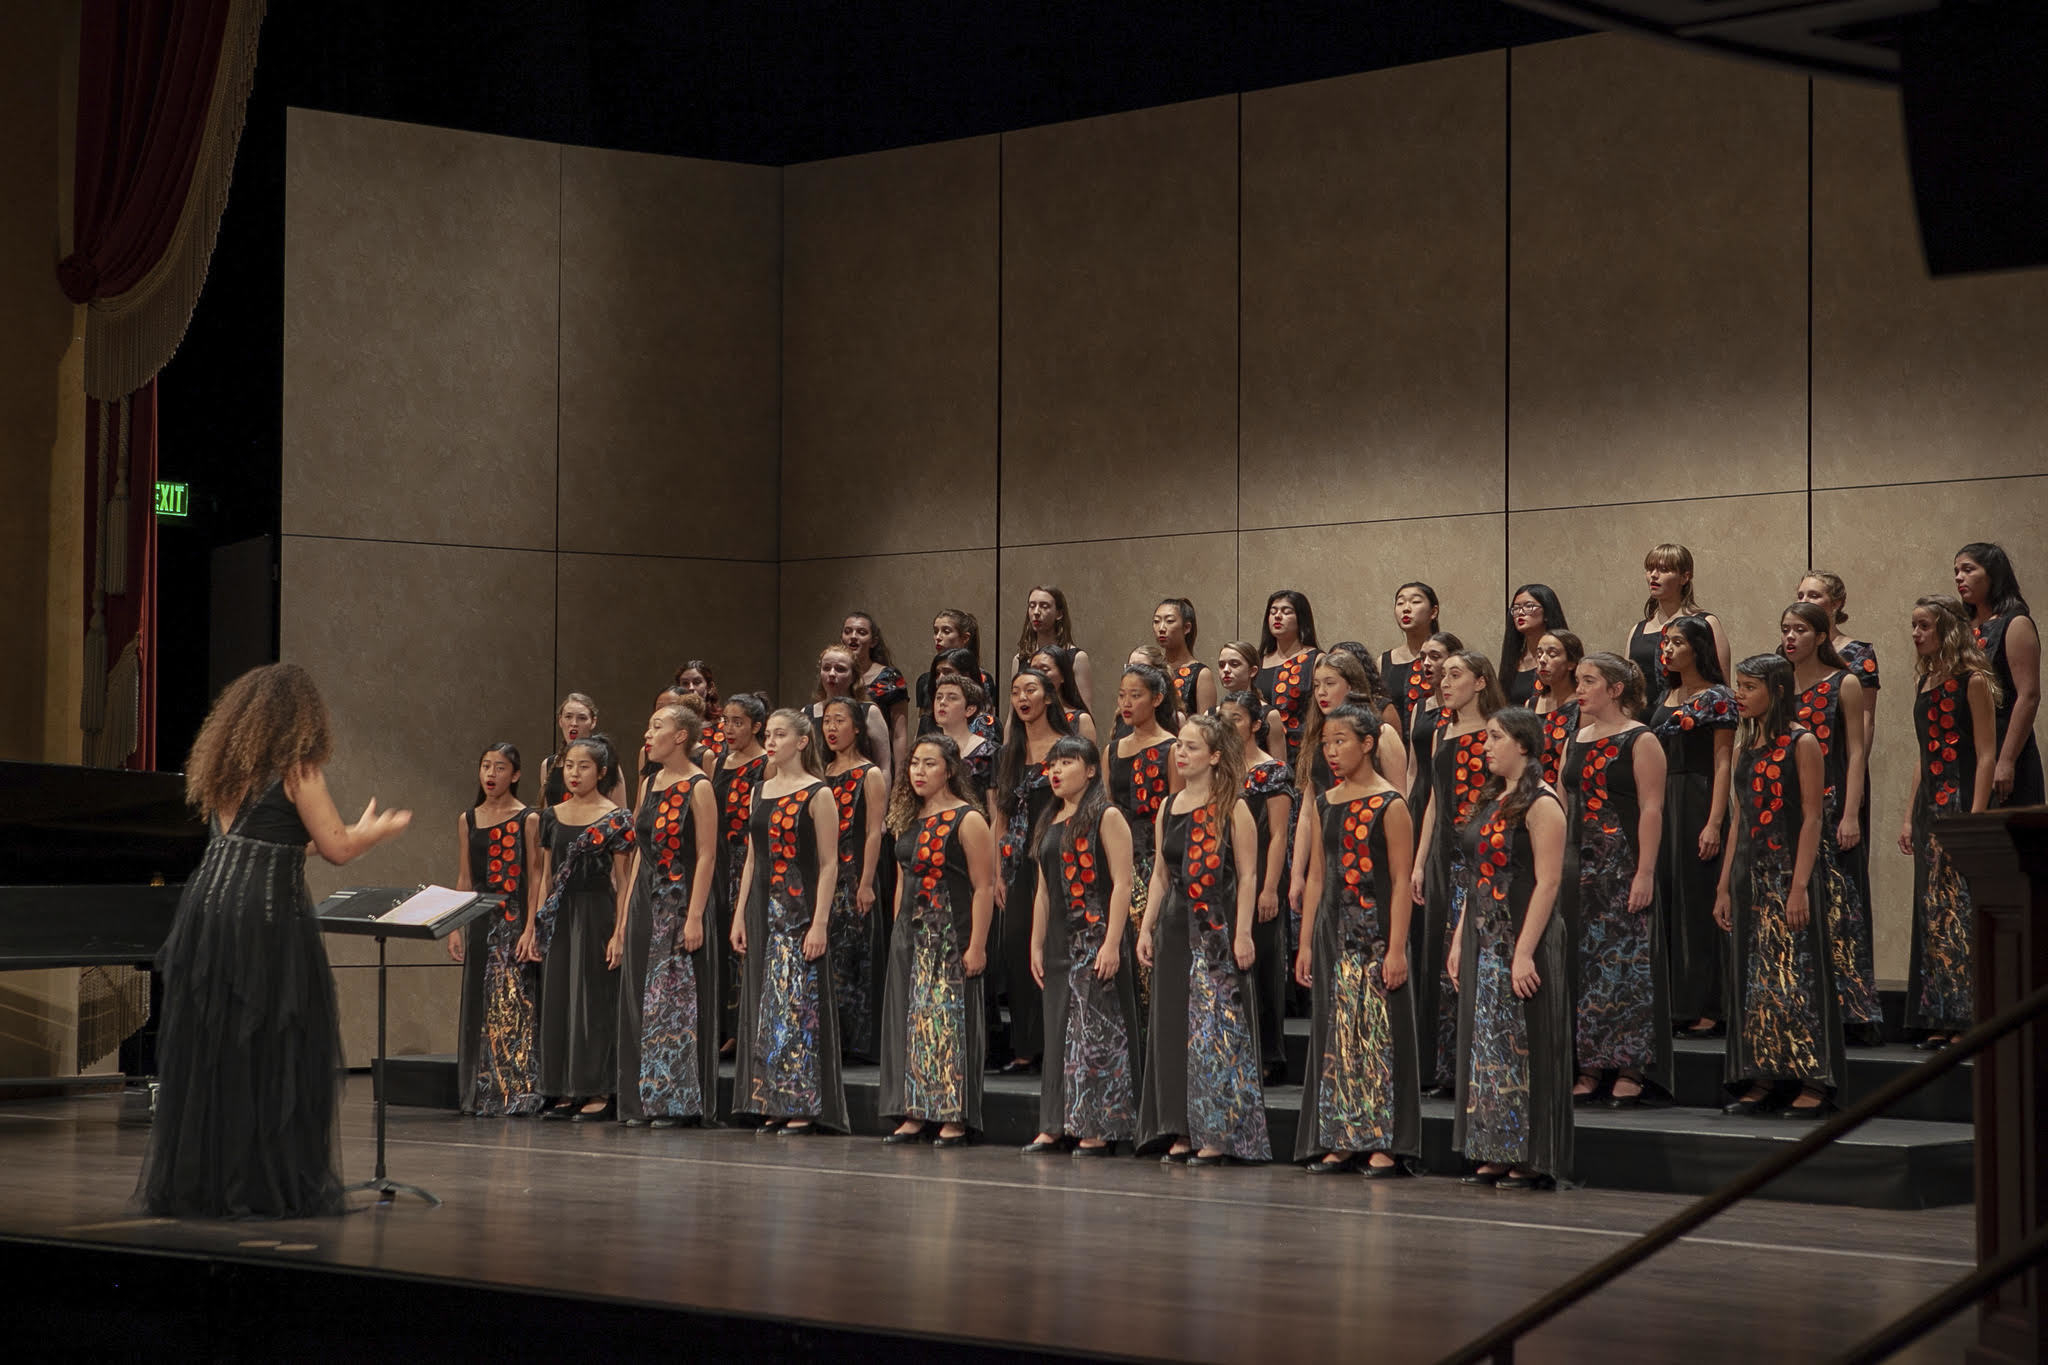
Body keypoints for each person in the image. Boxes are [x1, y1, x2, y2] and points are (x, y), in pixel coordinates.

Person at [139, 663, 411, 1218]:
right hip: (264, 918)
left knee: (220, 1047)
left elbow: (272, 842)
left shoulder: (225, 768)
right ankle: (261, 1184)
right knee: (273, 1046)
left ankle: (210, 1182)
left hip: (208, 911)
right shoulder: (299, 771)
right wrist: (371, 834)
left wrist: (342, 838)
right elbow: (335, 848)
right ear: (302, 718)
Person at [1137, 714, 1271, 1165]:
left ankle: (1217, 1129)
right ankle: (1180, 1124)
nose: (1181, 753)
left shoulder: (1233, 805)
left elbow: (1249, 875)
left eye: (1191, 747)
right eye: (1180, 746)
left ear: (1214, 756)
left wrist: (1245, 932)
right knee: (1175, 1028)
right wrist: (1145, 926)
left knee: (1215, 1031)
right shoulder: (1167, 806)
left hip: (1216, 929)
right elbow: (1160, 874)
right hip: (1175, 929)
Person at [1447, 707, 1572, 1190]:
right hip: (1485, 934)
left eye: (1495, 738)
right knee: (1490, 1047)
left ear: (1523, 744)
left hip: (1524, 934)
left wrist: (1524, 952)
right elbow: (1476, 877)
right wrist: (1460, 939)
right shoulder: (1492, 800)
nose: (1486, 746)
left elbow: (1549, 881)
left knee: (1526, 1041)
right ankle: (1494, 1146)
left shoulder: (1541, 802)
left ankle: (1531, 1153)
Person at [1295, 705, 1418, 1176]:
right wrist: (1305, 943)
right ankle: (1343, 1135)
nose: (1331, 750)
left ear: (1367, 744)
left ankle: (1384, 1141)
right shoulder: (1327, 802)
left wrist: (1396, 948)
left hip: (1376, 935)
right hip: (1334, 935)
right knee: (1338, 1034)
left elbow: (1402, 879)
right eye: (1326, 743)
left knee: (1378, 1036)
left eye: (1341, 740)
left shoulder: (1391, 804)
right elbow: (1318, 878)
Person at [1714, 655, 1838, 1118]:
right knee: (1757, 979)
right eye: (1738, 686)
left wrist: (1800, 885)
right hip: (1750, 873)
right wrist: (1725, 885)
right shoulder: (1746, 747)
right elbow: (1739, 818)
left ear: (1777, 690)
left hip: (1788, 872)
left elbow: (1811, 817)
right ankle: (1764, 1072)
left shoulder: (1801, 742)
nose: (1739, 695)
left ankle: (1811, 1078)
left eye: (1748, 687)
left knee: (1797, 973)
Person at [730, 709, 848, 1134]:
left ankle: (801, 1099)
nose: (772, 742)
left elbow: (830, 864)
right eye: (770, 735)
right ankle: (772, 1097)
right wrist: (741, 913)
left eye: (781, 735)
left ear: (801, 741)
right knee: (767, 1003)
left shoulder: (818, 793)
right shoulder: (758, 790)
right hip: (762, 908)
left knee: (797, 1003)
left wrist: (819, 923)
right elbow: (751, 857)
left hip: (798, 912)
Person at [1025, 734, 1143, 1155]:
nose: (1055, 771)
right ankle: (1056, 1122)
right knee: (1059, 1032)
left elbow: (1123, 883)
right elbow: (1041, 891)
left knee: (1095, 1034)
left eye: (1066, 763)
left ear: (1091, 770)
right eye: (1052, 764)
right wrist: (1036, 944)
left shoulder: (1106, 815)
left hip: (1094, 937)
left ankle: (1099, 1125)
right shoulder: (1050, 818)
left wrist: (1112, 943)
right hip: (1059, 941)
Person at [878, 735, 996, 1146]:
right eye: (914, 764)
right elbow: (901, 881)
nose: (919, 772)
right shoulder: (908, 818)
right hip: (910, 938)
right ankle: (913, 1110)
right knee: (912, 1022)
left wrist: (977, 945)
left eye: (929, 764)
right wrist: (897, 931)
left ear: (949, 769)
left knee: (946, 1022)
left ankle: (952, 1115)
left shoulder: (968, 819)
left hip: (950, 936)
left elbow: (984, 887)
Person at [1562, 654, 1669, 1106]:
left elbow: (1651, 808)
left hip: (1622, 864)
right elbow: (1567, 803)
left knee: (1625, 965)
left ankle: (1629, 1065)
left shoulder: (1640, 739)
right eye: (1578, 682)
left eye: (1588, 682)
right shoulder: (1577, 737)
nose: (1579, 690)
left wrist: (1644, 872)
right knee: (1584, 966)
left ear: (1616, 689)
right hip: (1579, 867)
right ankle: (1588, 1063)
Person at [610, 702, 720, 1127]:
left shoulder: (700, 786)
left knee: (673, 1003)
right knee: (641, 999)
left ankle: (675, 1100)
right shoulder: (651, 783)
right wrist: (623, 920)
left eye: (657, 726)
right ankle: (641, 1100)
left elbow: (708, 854)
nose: (648, 734)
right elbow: (639, 850)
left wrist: (694, 916)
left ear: (680, 737)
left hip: (680, 903)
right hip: (645, 902)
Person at [1780, 603, 1882, 1045]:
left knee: (1840, 906)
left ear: (1821, 636)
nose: (1790, 637)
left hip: (1833, 799)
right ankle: (1802, 1003)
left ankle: (1852, 1012)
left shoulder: (1845, 682)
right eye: (1785, 630)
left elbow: (1856, 752)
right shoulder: (1778, 684)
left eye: (1799, 630)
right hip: (1789, 808)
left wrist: (1851, 812)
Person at [1901, 595, 1999, 1049]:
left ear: (1947, 629)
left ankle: (1967, 1018)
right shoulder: (1926, 682)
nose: (1917, 634)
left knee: (1958, 909)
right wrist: (1907, 815)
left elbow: (1985, 754)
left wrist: (1976, 821)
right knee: (1931, 910)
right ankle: (1938, 1014)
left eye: (1924, 626)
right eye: (1914, 626)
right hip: (1929, 810)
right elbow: (1924, 756)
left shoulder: (1972, 681)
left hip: (1959, 802)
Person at [522, 735, 636, 1121]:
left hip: (597, 912)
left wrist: (620, 932)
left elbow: (623, 882)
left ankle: (597, 1088)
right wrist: (535, 925)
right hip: (560, 914)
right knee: (558, 999)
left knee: (593, 1001)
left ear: (601, 772)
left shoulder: (616, 817)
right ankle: (561, 1087)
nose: (574, 773)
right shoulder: (551, 816)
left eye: (583, 766)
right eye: (569, 766)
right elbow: (544, 877)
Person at [1408, 650, 1504, 1094]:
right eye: (1441, 676)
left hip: (1482, 856)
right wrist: (1419, 860)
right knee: (1441, 958)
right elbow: (1433, 800)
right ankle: (1446, 1067)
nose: (1444, 683)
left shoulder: (1498, 731)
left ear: (1481, 682)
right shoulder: (1441, 731)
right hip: (1443, 857)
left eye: (1455, 675)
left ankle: (1479, 1063)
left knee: (1474, 955)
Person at [1648, 615, 1736, 1040]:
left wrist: (1715, 822)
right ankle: (1676, 1000)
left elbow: (1723, 762)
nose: (1667, 649)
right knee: (1669, 899)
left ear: (1697, 648)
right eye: (1665, 643)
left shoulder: (1718, 696)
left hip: (1699, 800)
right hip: (1664, 801)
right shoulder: (1667, 694)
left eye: (1677, 642)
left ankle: (1707, 1005)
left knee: (1698, 902)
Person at [450, 742, 543, 1117]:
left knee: (514, 1004)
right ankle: (480, 1091)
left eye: (500, 768)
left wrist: (531, 927)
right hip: (480, 922)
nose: (491, 774)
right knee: (481, 1004)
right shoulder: (468, 819)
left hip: (514, 921)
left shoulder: (529, 818)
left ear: (515, 775)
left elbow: (536, 878)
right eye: (486, 766)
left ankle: (516, 1091)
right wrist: (454, 926)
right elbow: (465, 877)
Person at [991, 670, 1074, 1074]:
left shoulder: (1066, 747)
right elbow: (999, 818)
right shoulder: (1008, 753)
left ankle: (1057, 1043)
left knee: (1054, 947)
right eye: (1015, 692)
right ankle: (1025, 1045)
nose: (1022, 698)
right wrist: (996, 873)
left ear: (1048, 697)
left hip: (1056, 857)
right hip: (1016, 864)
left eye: (1030, 690)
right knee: (1017, 945)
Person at [1220, 691, 1295, 1085]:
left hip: (1263, 871)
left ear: (1253, 725)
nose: (1226, 726)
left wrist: (1270, 888)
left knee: (1263, 962)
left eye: (1234, 718)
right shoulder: (1219, 770)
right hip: (1227, 877)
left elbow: (1280, 833)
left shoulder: (1272, 771)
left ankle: (1270, 1053)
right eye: (1221, 718)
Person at [820, 696, 890, 1064]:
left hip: (855, 874)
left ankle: (858, 1043)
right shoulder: (820, 772)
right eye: (827, 721)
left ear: (857, 728)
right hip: (824, 877)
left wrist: (866, 881)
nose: (831, 728)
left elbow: (874, 831)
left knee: (855, 957)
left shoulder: (869, 774)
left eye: (839, 721)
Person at [1955, 543, 2043, 807]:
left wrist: (2006, 761)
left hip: (2004, 750)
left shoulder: (2015, 623)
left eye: (1968, 569)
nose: (1959, 577)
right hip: (1967, 752)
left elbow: (2028, 696)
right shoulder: (1962, 629)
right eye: (1956, 571)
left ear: (1993, 574)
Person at [1626, 544, 1730, 711]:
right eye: (1650, 569)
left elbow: (1722, 688)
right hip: (1643, 725)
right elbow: (1629, 689)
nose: (1654, 575)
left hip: (1688, 722)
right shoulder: (1637, 630)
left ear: (1684, 577)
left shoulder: (1706, 623)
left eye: (1664, 569)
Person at [1256, 590, 1321, 762]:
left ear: (1301, 618)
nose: (1277, 616)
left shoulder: (1315, 659)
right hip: (1259, 753)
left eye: (1286, 611)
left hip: (1300, 754)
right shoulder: (1258, 661)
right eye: (1273, 611)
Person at [844, 610, 912, 774]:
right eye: (848, 631)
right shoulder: (836, 675)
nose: (853, 636)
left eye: (861, 632)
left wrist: (900, 780)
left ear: (873, 641)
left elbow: (899, 734)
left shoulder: (889, 677)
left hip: (879, 763)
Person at [1014, 585, 1095, 713]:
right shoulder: (1020, 658)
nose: (1036, 612)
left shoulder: (1076, 657)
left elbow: (1085, 711)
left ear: (1059, 613)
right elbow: (1013, 714)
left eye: (1044, 606)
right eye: (1032, 605)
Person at [541, 693, 629, 808]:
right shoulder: (548, 765)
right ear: (560, 721)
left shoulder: (607, 762)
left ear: (593, 722)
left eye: (581, 718)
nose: (574, 723)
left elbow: (620, 812)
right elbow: (546, 816)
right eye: (568, 717)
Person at [1381, 581, 1441, 730]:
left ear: (1433, 612)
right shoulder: (1384, 661)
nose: (1406, 609)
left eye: (1415, 602)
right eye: (1400, 603)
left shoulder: (1448, 656)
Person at [1500, 584, 1568, 708]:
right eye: (1516, 608)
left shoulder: (1564, 657)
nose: (1520, 612)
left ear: (1547, 612)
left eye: (1529, 606)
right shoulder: (1513, 659)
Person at [931, 674, 998, 800]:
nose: (942, 702)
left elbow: (995, 812)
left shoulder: (989, 753)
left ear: (970, 709)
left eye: (952, 698)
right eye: (938, 697)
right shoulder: (928, 750)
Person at [1218, 638, 1288, 757]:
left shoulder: (1269, 715)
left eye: (1234, 664)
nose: (1225, 670)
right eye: (1221, 665)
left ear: (1253, 671)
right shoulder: (1210, 714)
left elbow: (1280, 768)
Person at [1532, 630, 1585, 786]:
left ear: (1571, 663)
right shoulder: (1531, 704)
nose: (1542, 660)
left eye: (1552, 654)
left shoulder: (1583, 706)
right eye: (1539, 653)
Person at [1154, 597, 1217, 717]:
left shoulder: (1201, 674)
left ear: (1187, 627)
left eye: (1170, 621)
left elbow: (1207, 729)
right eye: (1156, 621)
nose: (1161, 628)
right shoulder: (1153, 668)